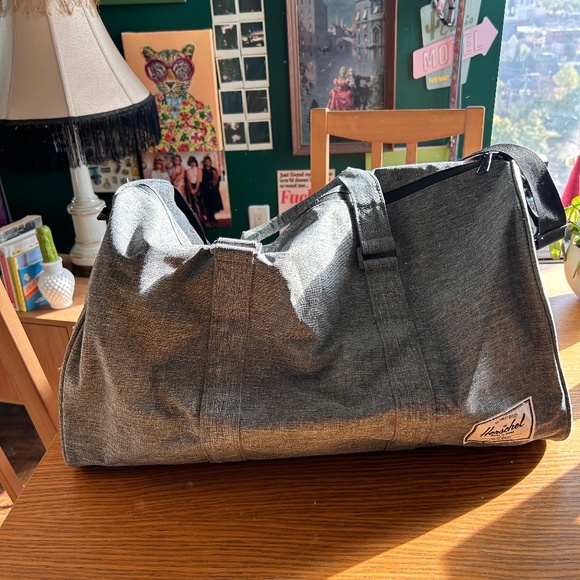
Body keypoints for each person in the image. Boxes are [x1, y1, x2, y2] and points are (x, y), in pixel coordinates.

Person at [200, 156, 224, 227]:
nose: (207, 163)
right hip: (206, 190)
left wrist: (214, 186)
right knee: (207, 204)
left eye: (208, 161)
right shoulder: (202, 171)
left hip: (213, 190)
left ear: (210, 162)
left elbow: (217, 179)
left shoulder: (214, 170)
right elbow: (201, 181)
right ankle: (209, 218)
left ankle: (213, 217)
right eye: (206, 161)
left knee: (214, 204)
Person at [185, 156, 205, 221]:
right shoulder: (187, 171)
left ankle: (203, 219)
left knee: (201, 203)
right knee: (193, 204)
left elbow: (198, 180)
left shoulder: (198, 169)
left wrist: (196, 189)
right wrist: (191, 189)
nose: (193, 163)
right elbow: (189, 181)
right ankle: (197, 219)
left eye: (194, 162)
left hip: (198, 187)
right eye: (191, 162)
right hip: (191, 188)